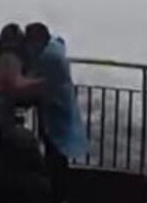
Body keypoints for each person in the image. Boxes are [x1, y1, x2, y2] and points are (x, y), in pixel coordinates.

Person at [25, 22, 88, 202]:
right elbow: (61, 40)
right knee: (57, 156)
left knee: (55, 157)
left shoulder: (49, 58)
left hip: (55, 110)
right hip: (59, 107)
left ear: (38, 40)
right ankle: (58, 193)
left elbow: (34, 80)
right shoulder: (55, 47)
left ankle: (57, 195)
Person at [0, 23, 45, 137]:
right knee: (13, 141)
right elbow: (15, 84)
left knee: (8, 139)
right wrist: (41, 83)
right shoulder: (11, 56)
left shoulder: (3, 55)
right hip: (5, 103)